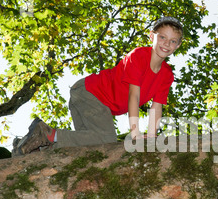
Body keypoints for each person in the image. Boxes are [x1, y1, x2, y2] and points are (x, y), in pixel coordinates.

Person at [13, 16, 183, 156]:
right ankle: (45, 133)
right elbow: (134, 96)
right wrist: (135, 133)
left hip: (93, 101)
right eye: (162, 37)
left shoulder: (166, 75)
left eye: (173, 41)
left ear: (178, 45)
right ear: (152, 36)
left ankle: (30, 147)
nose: (167, 44)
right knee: (107, 140)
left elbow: (157, 106)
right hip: (91, 93)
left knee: (88, 149)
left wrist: (152, 137)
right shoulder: (139, 56)